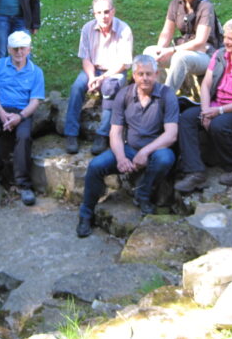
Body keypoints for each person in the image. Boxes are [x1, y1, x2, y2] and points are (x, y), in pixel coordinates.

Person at [76, 54, 179, 237]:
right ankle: (86, 214)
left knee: (165, 158)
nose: (145, 78)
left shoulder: (166, 95)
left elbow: (171, 135)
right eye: (140, 74)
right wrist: (121, 157)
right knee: (95, 166)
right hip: (129, 149)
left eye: (149, 74)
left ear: (156, 74)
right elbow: (115, 132)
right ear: (134, 74)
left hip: (155, 150)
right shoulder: (124, 94)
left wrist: (145, 152)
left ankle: (143, 194)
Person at [174, 18, 232, 193]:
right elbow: (206, 85)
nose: (226, 42)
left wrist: (217, 111)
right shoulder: (218, 55)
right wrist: (205, 110)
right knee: (186, 118)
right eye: (225, 37)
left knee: (219, 124)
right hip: (215, 106)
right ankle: (195, 171)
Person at [0, 30, 45, 206]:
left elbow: (35, 102)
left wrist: (19, 116)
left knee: (24, 136)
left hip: (22, 110)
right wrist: (2, 114)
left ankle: (24, 184)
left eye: (23, 49)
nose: (19, 52)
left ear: (29, 49)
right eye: (15, 49)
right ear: (9, 49)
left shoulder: (36, 72)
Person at [64, 0, 134, 155]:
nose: (104, 16)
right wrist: (91, 77)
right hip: (93, 69)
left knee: (110, 89)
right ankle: (71, 134)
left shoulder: (124, 30)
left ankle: (103, 135)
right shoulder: (87, 28)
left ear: (113, 11)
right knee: (76, 87)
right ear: (94, 14)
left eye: (107, 12)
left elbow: (123, 64)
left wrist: (101, 78)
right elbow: (86, 58)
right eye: (99, 12)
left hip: (115, 71)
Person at [144, 0, 220, 95]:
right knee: (149, 52)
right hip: (183, 49)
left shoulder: (205, 6)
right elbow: (166, 32)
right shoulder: (175, 4)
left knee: (180, 58)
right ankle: (152, 94)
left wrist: (172, 50)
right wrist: (160, 50)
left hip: (206, 55)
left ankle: (165, 98)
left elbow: (200, 41)